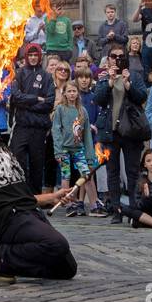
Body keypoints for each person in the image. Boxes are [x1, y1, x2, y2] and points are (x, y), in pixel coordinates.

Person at [0, 100, 78, 283]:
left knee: (67, 268)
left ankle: (13, 261)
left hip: (29, 213)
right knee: (56, 244)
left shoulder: (2, 145)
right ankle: (6, 258)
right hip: (7, 218)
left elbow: (20, 195)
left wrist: (52, 196)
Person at [93, 48, 148, 223]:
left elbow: (141, 97)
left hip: (131, 131)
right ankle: (116, 209)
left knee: (133, 172)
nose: (117, 59)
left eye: (120, 56)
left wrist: (128, 85)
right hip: (111, 133)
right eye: (113, 56)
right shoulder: (103, 77)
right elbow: (99, 100)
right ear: (108, 59)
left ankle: (134, 210)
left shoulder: (135, 75)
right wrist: (110, 82)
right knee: (112, 172)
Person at [7, 43, 55, 195]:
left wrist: (26, 104)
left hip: (39, 127)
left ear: (40, 56)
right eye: (30, 55)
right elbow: (16, 97)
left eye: (36, 55)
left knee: (37, 163)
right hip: (21, 125)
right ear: (26, 56)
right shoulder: (19, 74)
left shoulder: (47, 76)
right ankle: (22, 193)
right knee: (17, 157)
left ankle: (35, 196)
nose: (33, 58)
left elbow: (49, 103)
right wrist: (35, 99)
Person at [51, 80, 96, 213]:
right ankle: (69, 203)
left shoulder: (82, 111)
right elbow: (56, 130)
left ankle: (94, 204)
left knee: (86, 175)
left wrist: (90, 156)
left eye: (74, 91)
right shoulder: (60, 109)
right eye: (69, 91)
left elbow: (87, 134)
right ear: (64, 93)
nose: (71, 94)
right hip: (64, 148)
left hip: (78, 149)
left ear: (78, 93)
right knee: (66, 175)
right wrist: (58, 151)